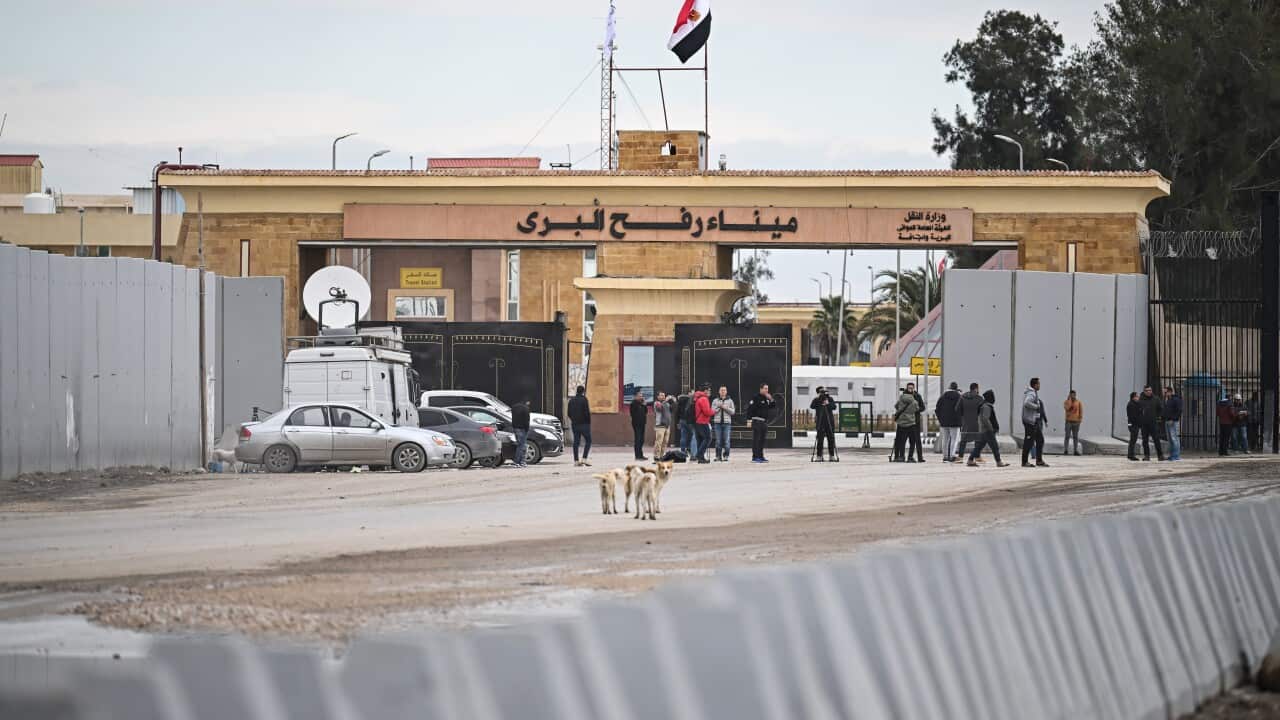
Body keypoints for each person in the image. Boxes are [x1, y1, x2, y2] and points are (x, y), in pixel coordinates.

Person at [967, 390, 1010, 467]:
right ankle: (999, 462)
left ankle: (970, 460)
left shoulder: (986, 405)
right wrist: (990, 428)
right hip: (987, 430)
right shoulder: (986, 406)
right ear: (990, 398)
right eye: (993, 396)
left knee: (979, 446)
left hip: (984, 430)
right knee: (994, 446)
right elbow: (985, 419)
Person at [746, 383, 777, 463]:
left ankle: (761, 456)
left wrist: (771, 399)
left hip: (764, 422)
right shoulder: (756, 397)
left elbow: (772, 406)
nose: (767, 390)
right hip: (756, 421)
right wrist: (749, 420)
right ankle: (755, 457)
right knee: (756, 440)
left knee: (762, 440)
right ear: (761, 389)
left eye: (767, 388)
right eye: (765, 388)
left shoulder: (766, 398)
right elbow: (750, 409)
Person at [1021, 378, 1048, 468]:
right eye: (1039, 384)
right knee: (1028, 441)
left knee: (1040, 440)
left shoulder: (1033, 393)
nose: (1039, 385)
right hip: (1029, 421)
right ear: (1035, 385)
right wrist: (1036, 407)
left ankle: (1039, 460)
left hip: (1034, 421)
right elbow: (1026, 403)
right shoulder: (1031, 393)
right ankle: (1024, 462)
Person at [893, 384, 922, 463]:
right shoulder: (914, 401)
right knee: (912, 441)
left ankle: (901, 456)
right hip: (911, 423)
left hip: (902, 423)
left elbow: (896, 406)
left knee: (902, 441)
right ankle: (910, 457)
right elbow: (917, 409)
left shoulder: (901, 398)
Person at [955, 382, 984, 463]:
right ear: (976, 388)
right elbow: (982, 410)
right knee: (977, 440)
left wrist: (963, 417)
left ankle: (960, 457)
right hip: (976, 422)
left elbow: (957, 409)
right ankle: (977, 457)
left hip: (965, 422)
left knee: (963, 440)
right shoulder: (979, 398)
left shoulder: (962, 397)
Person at [935, 382, 962, 462]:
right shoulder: (959, 397)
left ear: (949, 387)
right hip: (955, 422)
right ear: (956, 388)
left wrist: (941, 419)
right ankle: (952, 456)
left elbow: (937, 409)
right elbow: (961, 409)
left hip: (944, 422)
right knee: (954, 439)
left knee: (945, 439)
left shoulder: (942, 397)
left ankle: (945, 456)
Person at [1136, 385, 1165, 461]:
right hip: (1144, 424)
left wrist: (1158, 417)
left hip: (1153, 423)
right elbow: (1137, 411)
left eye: (1150, 390)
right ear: (1144, 391)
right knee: (1145, 440)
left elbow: (1160, 409)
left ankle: (1160, 455)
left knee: (1156, 439)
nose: (1149, 392)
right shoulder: (1141, 400)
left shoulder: (1156, 399)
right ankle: (1147, 456)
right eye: (1147, 390)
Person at [567, 385, 592, 467]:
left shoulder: (571, 400)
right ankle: (584, 459)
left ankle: (576, 461)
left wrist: (573, 420)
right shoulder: (584, 400)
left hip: (575, 424)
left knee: (576, 442)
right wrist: (588, 422)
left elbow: (569, 413)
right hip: (584, 424)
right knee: (588, 440)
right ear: (583, 392)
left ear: (576, 391)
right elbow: (587, 412)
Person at [810, 386, 837, 462]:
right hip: (820, 422)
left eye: (824, 392)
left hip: (829, 422)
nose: (823, 393)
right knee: (820, 439)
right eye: (821, 392)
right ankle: (819, 456)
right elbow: (812, 406)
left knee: (831, 439)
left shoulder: (830, 399)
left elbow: (834, 407)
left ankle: (831, 456)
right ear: (818, 393)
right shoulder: (816, 400)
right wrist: (818, 399)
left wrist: (828, 403)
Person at [711, 385, 736, 462]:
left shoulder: (730, 401)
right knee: (718, 440)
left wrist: (725, 408)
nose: (723, 392)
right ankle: (718, 456)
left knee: (726, 440)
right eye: (721, 390)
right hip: (717, 423)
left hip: (727, 423)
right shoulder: (715, 401)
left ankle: (726, 456)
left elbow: (733, 412)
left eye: (724, 390)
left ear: (726, 391)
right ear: (719, 391)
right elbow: (712, 411)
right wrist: (719, 407)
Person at [693, 383, 713, 464]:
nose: (710, 392)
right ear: (705, 391)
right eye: (709, 390)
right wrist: (714, 411)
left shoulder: (697, 398)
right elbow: (707, 412)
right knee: (708, 438)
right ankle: (699, 454)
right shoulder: (704, 399)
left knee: (700, 440)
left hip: (697, 421)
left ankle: (701, 459)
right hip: (703, 421)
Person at [1163, 386, 1182, 462]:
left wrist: (1173, 419)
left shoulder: (1176, 400)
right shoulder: (1167, 400)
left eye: (1165, 392)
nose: (1164, 393)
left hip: (1173, 422)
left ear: (1170, 392)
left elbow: (1179, 410)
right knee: (1170, 439)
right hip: (1167, 421)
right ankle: (1172, 455)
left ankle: (1176, 455)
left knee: (1174, 439)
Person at [511, 399, 532, 469]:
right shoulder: (526, 408)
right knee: (521, 446)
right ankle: (517, 462)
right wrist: (527, 429)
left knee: (521, 445)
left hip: (516, 428)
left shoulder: (514, 407)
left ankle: (522, 462)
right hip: (523, 429)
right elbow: (527, 420)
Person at [653, 391, 673, 459]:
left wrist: (673, 401)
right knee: (659, 442)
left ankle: (661, 456)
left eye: (664, 395)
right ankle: (656, 456)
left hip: (667, 426)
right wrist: (666, 401)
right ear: (658, 397)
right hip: (660, 426)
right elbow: (660, 408)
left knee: (665, 442)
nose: (663, 397)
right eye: (661, 395)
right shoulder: (656, 403)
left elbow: (672, 409)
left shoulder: (667, 404)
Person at [1063, 390, 1083, 456]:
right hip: (1068, 421)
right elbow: (1067, 408)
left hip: (1076, 422)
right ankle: (1065, 450)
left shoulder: (1079, 402)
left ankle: (1075, 450)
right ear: (1070, 395)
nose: (1073, 396)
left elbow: (1081, 411)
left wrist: (1080, 420)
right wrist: (1069, 401)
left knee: (1075, 437)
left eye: (1074, 394)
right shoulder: (1066, 402)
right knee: (1067, 436)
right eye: (1072, 395)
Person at [629, 391, 648, 461]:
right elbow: (632, 414)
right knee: (638, 439)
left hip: (643, 423)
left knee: (642, 440)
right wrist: (641, 405)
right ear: (636, 396)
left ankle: (641, 455)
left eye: (642, 396)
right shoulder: (633, 404)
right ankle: (637, 456)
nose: (641, 397)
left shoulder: (642, 403)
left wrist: (644, 405)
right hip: (636, 424)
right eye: (640, 396)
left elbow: (646, 412)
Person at [910, 384, 927, 462]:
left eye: (911, 387)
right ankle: (908, 457)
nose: (910, 389)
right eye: (909, 387)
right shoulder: (904, 396)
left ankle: (920, 457)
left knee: (917, 440)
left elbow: (923, 407)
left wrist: (916, 410)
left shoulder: (917, 396)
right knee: (909, 440)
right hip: (907, 421)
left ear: (914, 388)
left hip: (916, 420)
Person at [1126, 392, 1143, 461]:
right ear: (1133, 397)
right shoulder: (1131, 404)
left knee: (1133, 440)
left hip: (1134, 424)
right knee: (1133, 440)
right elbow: (1133, 416)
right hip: (1133, 425)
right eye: (1137, 396)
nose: (1138, 398)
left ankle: (1130, 454)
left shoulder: (1135, 404)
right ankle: (1131, 455)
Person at [675, 391, 693, 455]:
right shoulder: (690, 400)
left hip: (682, 420)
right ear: (688, 393)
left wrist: (677, 422)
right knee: (691, 436)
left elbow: (677, 412)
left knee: (683, 436)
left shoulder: (680, 401)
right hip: (690, 421)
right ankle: (689, 448)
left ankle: (682, 450)